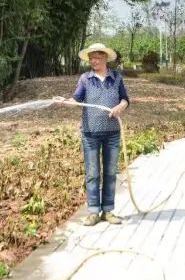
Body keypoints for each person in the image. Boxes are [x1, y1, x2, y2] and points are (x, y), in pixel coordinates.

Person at [55, 42, 129, 226]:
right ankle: (94, 212)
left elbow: (125, 99)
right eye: (91, 58)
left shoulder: (116, 78)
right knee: (93, 173)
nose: (93, 61)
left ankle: (108, 211)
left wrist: (120, 107)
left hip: (112, 132)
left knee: (110, 173)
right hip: (90, 133)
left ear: (105, 58)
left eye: (97, 58)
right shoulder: (85, 79)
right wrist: (65, 101)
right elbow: (77, 99)